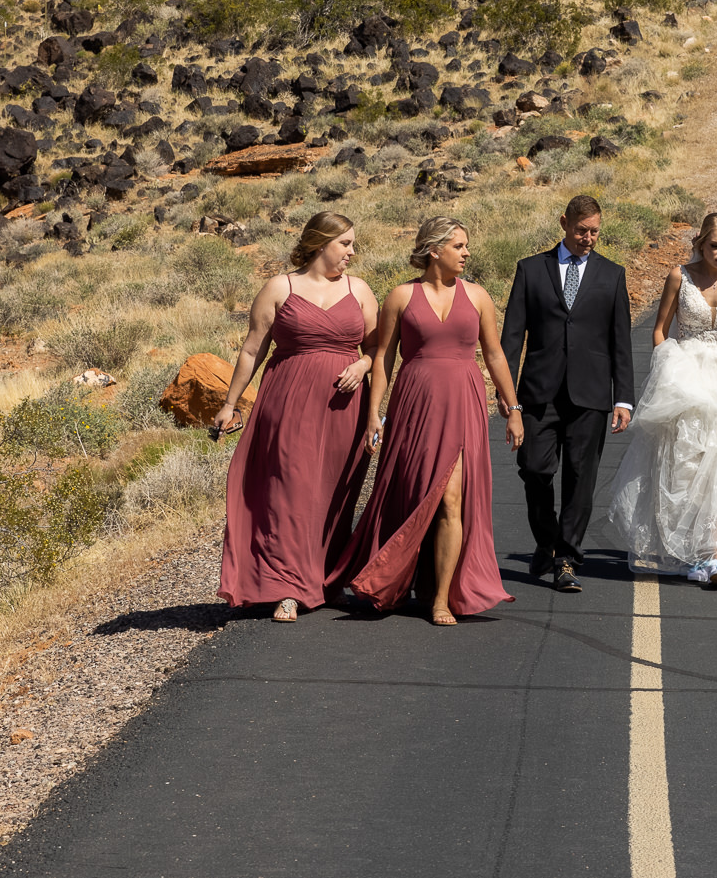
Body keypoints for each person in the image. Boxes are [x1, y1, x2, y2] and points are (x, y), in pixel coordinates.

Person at [337, 216, 524, 625]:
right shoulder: (402, 296)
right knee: (415, 491)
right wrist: (374, 413)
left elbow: (494, 355)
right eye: (459, 246)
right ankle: (401, 579)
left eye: (466, 246)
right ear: (434, 250)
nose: (467, 253)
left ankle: (441, 598)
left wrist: (513, 410)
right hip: (416, 404)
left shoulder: (477, 296)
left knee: (451, 497)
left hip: (462, 401)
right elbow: (384, 356)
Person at [214, 212, 378, 622]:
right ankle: (287, 587)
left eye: (353, 244)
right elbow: (252, 350)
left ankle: (326, 579)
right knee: (290, 492)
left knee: (334, 493)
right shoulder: (280, 287)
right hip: (287, 405)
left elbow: (380, 348)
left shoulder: (359, 290)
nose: (352, 253)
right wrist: (230, 403)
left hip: (345, 410)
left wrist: (363, 365)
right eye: (345, 244)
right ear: (321, 243)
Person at [605, 213, 717, 587]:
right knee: (688, 465)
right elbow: (661, 330)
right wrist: (672, 371)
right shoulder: (679, 276)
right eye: (715, 247)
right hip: (688, 380)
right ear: (700, 244)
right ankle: (692, 553)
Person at [500, 195, 635, 593]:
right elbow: (511, 338)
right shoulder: (531, 270)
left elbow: (620, 342)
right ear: (564, 223)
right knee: (535, 469)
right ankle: (546, 542)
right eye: (581, 230)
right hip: (538, 394)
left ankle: (566, 559)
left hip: (591, 395)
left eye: (594, 231)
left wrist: (623, 397)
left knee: (581, 479)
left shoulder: (612, 275)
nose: (588, 238)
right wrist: (508, 395)